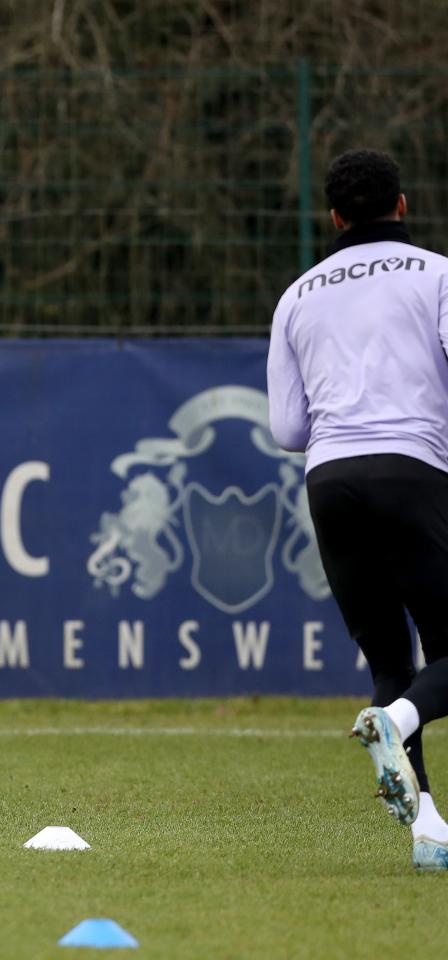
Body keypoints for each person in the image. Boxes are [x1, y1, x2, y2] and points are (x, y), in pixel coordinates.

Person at [268, 148, 448, 870]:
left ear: (334, 216)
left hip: (329, 479)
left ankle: (429, 830)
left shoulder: (297, 295)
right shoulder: (437, 273)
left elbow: (286, 430)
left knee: (387, 659)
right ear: (401, 204)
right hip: (412, 468)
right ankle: (397, 719)